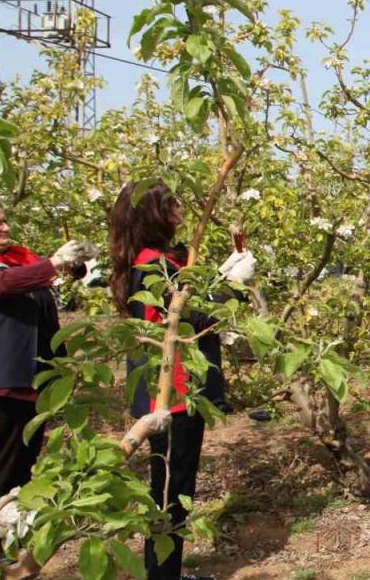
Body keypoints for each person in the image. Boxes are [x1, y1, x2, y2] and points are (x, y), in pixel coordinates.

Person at [109, 181, 254, 580]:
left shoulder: (154, 260)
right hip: (173, 393)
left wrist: (219, 276)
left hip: (170, 391)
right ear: (153, 213)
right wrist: (234, 285)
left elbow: (184, 307)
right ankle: (162, 574)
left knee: (171, 487)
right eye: (171, 204)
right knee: (172, 491)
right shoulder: (153, 265)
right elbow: (193, 320)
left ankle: (165, 572)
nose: (180, 210)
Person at [0, 196, 98, 565]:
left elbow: (41, 273)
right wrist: (53, 263)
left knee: (20, 463)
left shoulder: (15, 257)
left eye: (5, 221)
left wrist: (75, 262)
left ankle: (9, 538)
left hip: (29, 378)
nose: (5, 228)